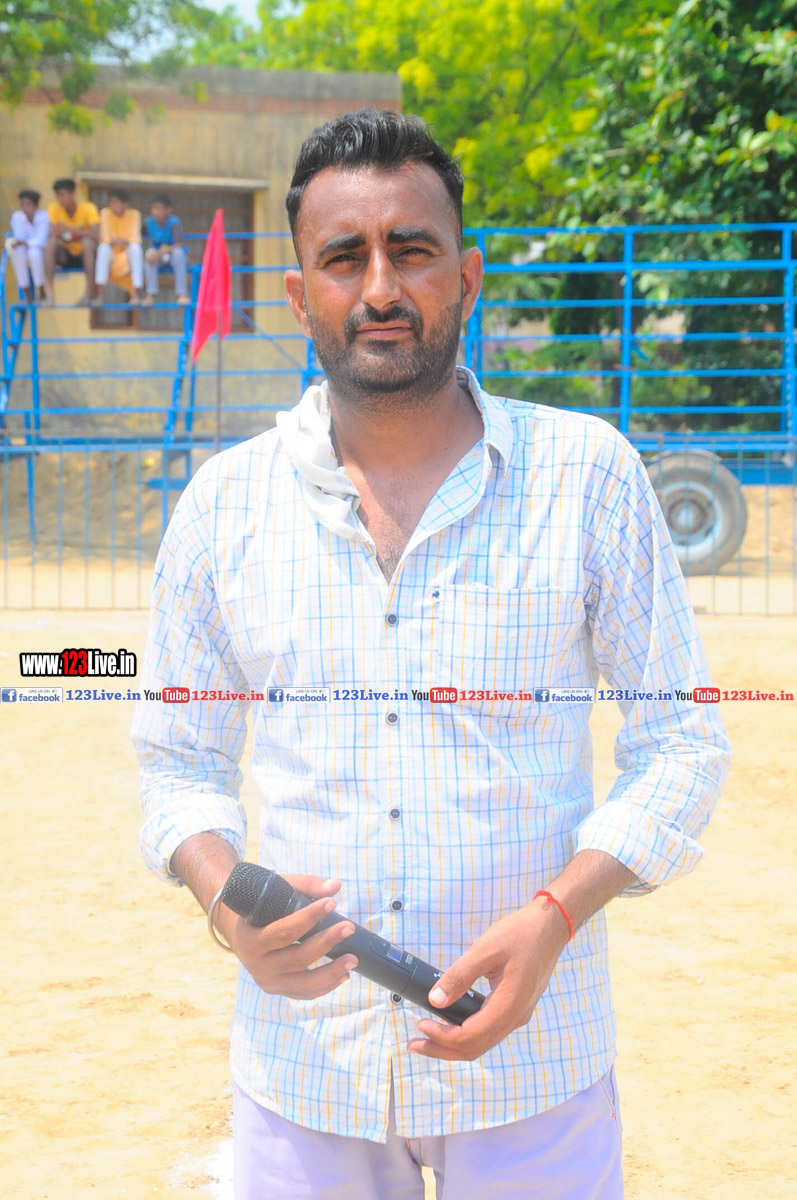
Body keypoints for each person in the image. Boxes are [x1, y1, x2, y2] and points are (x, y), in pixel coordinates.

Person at [132, 109, 731, 1199]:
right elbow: (177, 761)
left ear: (466, 276)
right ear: (297, 294)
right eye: (343, 257)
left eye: (410, 250)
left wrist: (554, 918)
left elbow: (680, 744)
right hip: (305, 1071)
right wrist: (225, 902)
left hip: (534, 1062)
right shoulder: (223, 506)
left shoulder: (585, 476)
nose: (380, 288)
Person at [45, 178, 100, 306]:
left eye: (63, 195)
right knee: (51, 242)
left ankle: (88, 294)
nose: (60, 199)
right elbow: (54, 232)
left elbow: (96, 235)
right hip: (65, 256)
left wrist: (69, 229)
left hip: (85, 256)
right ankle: (49, 294)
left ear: (72, 194)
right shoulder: (54, 208)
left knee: (87, 242)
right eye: (58, 196)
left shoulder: (88, 208)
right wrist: (79, 232)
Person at [93, 188, 143, 306]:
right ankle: (99, 295)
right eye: (110, 202)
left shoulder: (134, 214)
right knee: (103, 248)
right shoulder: (105, 213)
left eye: (115, 202)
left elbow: (135, 238)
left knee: (136, 249)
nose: (111, 205)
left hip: (127, 251)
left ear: (125, 204)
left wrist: (122, 241)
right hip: (111, 251)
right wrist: (116, 241)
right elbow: (104, 238)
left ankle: (136, 294)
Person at [142, 192, 190, 305]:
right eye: (153, 208)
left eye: (158, 208)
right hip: (159, 256)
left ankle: (182, 294)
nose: (155, 212)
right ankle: (150, 295)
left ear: (168, 210)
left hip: (173, 255)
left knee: (178, 253)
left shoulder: (174, 222)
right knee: (149, 254)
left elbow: (178, 244)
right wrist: (157, 254)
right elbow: (137, 235)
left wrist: (162, 252)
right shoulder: (149, 222)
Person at [6, 189, 50, 304]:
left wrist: (27, 243)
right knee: (18, 252)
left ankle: (42, 292)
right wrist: (23, 243)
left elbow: (41, 240)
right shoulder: (17, 216)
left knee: (34, 253)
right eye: (22, 204)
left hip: (41, 252)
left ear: (35, 205)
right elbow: (19, 237)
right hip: (24, 251)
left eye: (28, 204)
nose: (25, 207)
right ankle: (27, 294)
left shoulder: (44, 216)